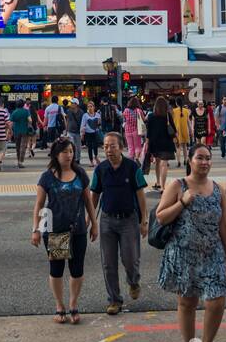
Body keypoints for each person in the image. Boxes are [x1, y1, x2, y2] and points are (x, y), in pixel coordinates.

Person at [156, 144, 226, 342]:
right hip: (184, 254)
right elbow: (160, 217)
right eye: (200, 158)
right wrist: (182, 202)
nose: (205, 162)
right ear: (190, 160)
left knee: (217, 300)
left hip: (213, 253)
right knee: (187, 302)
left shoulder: (218, 189)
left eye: (208, 158)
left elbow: (225, 225)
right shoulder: (178, 186)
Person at [31, 137, 98, 325]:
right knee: (57, 269)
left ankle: (73, 304)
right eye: (64, 152)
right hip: (55, 229)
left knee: (77, 270)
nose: (69, 155)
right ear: (56, 154)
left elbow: (88, 202)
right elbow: (38, 205)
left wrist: (94, 223)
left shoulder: (80, 174)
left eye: (71, 151)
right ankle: (60, 306)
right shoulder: (47, 177)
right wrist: (35, 229)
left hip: (77, 230)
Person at [91, 132, 148, 314]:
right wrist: (91, 219)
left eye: (112, 146)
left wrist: (144, 220)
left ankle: (133, 281)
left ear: (121, 147)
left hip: (129, 220)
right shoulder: (100, 169)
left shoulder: (132, 167)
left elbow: (140, 195)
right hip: (107, 220)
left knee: (130, 259)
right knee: (108, 263)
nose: (109, 150)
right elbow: (94, 195)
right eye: (106, 146)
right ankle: (115, 300)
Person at [144, 96, 177, 192]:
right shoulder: (167, 115)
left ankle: (158, 183)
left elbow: (148, 132)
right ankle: (163, 187)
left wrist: (147, 143)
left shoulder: (151, 116)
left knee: (158, 163)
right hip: (166, 143)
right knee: (164, 164)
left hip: (155, 143)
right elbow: (174, 130)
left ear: (155, 106)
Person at [10, 100, 33, 168]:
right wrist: (28, 124)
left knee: (17, 146)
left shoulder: (14, 112)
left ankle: (18, 161)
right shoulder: (26, 111)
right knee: (23, 146)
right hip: (24, 131)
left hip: (16, 131)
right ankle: (21, 161)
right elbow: (30, 120)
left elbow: (10, 122)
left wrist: (9, 131)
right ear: (23, 104)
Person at [80, 101, 103, 167]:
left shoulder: (98, 115)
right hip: (88, 133)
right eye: (88, 107)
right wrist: (82, 133)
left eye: (91, 106)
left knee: (95, 146)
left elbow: (100, 125)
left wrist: (99, 124)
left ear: (94, 107)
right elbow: (82, 125)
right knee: (89, 147)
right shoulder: (85, 115)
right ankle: (91, 161)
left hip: (95, 133)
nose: (90, 108)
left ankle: (96, 156)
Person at [171, 98, 191, 170]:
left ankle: (178, 162)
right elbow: (188, 121)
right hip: (185, 130)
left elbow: (172, 122)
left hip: (177, 131)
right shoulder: (186, 111)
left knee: (178, 147)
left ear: (176, 103)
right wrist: (191, 130)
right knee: (185, 146)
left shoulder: (174, 111)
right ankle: (185, 161)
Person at [122, 97, 144, 163]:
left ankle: (131, 160)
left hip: (127, 131)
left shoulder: (126, 110)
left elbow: (123, 119)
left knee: (130, 147)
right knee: (138, 146)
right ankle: (137, 158)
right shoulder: (139, 111)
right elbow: (143, 119)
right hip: (137, 131)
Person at [64, 99, 84, 165]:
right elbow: (67, 121)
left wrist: (82, 132)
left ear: (76, 104)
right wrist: (66, 131)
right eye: (71, 103)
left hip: (78, 132)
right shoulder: (68, 111)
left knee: (78, 147)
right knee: (71, 146)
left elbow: (83, 123)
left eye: (72, 103)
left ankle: (77, 159)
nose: (71, 104)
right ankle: (72, 159)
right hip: (70, 131)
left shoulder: (81, 112)